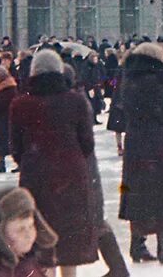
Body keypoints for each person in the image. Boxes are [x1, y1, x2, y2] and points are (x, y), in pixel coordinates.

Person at [9, 49, 97, 273]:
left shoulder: (20, 104)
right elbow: (87, 143)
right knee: (70, 240)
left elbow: (15, 148)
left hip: (36, 178)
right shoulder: (76, 101)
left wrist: (32, 160)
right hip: (71, 176)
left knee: (41, 239)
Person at [118, 42, 163, 265]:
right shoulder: (152, 82)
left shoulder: (129, 80)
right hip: (159, 146)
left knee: (138, 196)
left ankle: (137, 246)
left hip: (136, 146)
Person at [0, 186, 59, 277]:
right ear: (1, 236)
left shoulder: (33, 258)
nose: (28, 235)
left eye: (31, 226)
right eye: (20, 230)